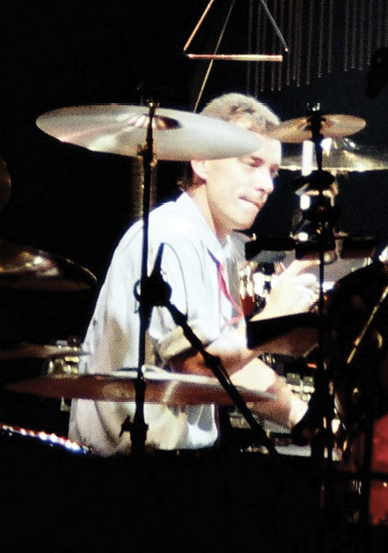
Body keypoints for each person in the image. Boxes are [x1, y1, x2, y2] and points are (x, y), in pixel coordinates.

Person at [68, 93, 316, 455]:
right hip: (128, 466)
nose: (268, 185)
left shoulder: (223, 249)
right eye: (252, 163)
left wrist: (304, 417)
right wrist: (274, 319)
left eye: (273, 171)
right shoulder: (170, 237)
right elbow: (196, 364)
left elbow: (230, 362)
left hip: (179, 463)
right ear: (201, 161)